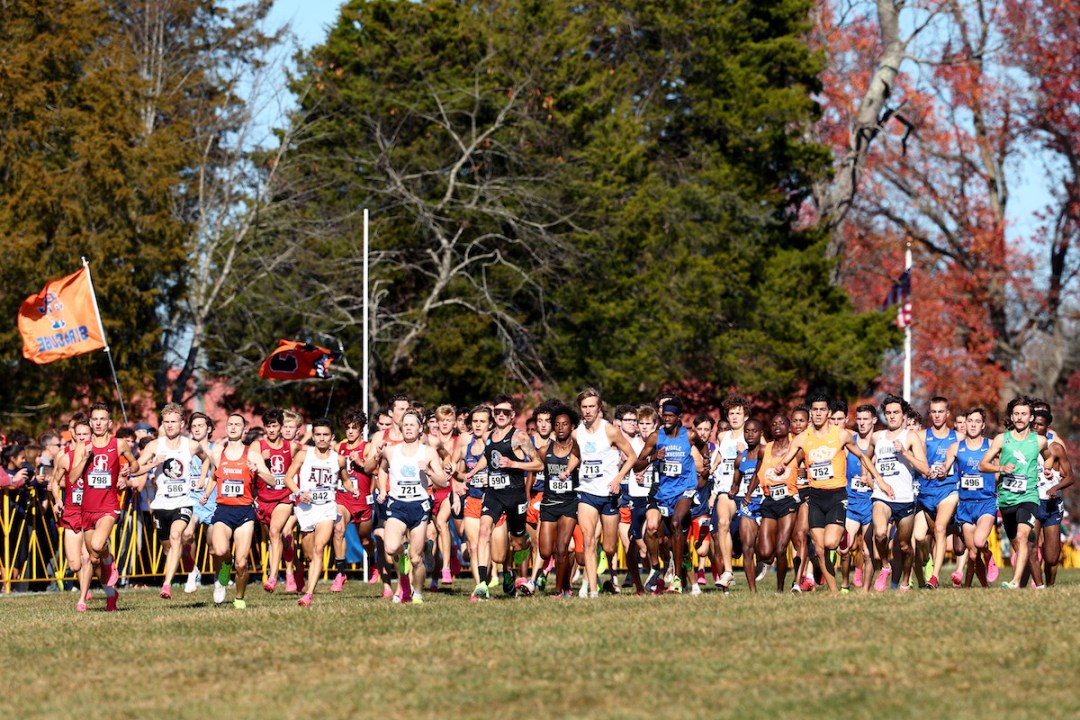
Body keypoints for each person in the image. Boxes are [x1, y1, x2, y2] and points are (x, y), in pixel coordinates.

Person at [773, 391, 880, 592]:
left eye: (823, 409)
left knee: (830, 543)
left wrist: (879, 480)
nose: (819, 413)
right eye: (815, 410)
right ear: (811, 412)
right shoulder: (803, 438)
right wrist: (780, 467)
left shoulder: (841, 435)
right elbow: (786, 461)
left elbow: (863, 457)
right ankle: (834, 592)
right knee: (820, 551)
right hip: (815, 497)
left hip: (837, 495)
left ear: (828, 412)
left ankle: (840, 536)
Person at [132, 404, 210, 599]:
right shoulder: (154, 446)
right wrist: (154, 463)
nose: (169, 426)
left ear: (182, 424)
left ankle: (166, 585)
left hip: (183, 502)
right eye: (166, 422)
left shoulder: (190, 445)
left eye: (173, 422)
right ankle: (191, 566)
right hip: (160, 505)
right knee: (168, 548)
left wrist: (202, 478)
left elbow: (206, 460)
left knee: (177, 536)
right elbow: (136, 469)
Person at [469, 395, 543, 600]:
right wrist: (472, 472)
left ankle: (514, 565)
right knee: (484, 531)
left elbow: (538, 464)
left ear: (512, 416)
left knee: (517, 542)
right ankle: (482, 585)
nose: (501, 415)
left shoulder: (520, 437)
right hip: (493, 494)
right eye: (497, 412)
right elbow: (487, 456)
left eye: (505, 412)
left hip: (515, 495)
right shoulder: (490, 436)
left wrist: (514, 464)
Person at [200, 413, 275, 609]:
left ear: (244, 430)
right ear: (226, 429)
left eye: (237, 425)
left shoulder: (252, 454)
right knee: (220, 550)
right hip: (223, 510)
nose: (233, 428)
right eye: (230, 424)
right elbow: (214, 477)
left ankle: (239, 598)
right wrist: (207, 494)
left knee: (241, 563)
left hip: (244, 512)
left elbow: (273, 481)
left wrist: (258, 470)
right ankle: (225, 568)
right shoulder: (217, 453)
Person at [978, 396, 1054, 590]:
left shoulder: (1039, 441)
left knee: (1023, 537)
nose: (1020, 418)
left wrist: (1047, 468)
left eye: (1024, 414)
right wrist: (1001, 468)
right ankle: (1038, 585)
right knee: (1018, 544)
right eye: (1017, 414)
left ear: (1030, 418)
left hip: (1029, 496)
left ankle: (1015, 582)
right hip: (1006, 499)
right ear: (1011, 417)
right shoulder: (1002, 439)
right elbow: (983, 465)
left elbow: (1049, 457)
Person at [633, 396, 706, 595]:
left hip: (685, 490)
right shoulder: (655, 438)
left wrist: (706, 464)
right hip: (664, 492)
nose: (666, 419)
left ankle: (676, 579)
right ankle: (693, 584)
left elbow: (703, 445)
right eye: (664, 416)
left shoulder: (689, 435)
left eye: (670, 416)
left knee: (675, 525)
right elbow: (636, 466)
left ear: (678, 417)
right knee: (673, 541)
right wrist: (653, 457)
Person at [376, 409, 449, 604]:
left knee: (416, 559)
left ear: (420, 429)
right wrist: (383, 489)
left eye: (412, 425)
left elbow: (443, 481)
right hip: (397, 504)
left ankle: (417, 593)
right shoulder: (391, 451)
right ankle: (404, 583)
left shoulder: (428, 451)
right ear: (401, 428)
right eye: (405, 425)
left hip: (419, 506)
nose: (408, 428)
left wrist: (429, 472)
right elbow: (382, 470)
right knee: (391, 548)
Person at [284, 418, 355, 606]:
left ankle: (308, 594)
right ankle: (302, 572)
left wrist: (352, 489)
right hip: (306, 509)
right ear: (313, 436)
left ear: (332, 436)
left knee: (318, 549)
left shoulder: (339, 459)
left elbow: (345, 480)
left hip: (327, 508)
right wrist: (299, 492)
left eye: (325, 435)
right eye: (318, 435)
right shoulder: (303, 455)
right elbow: (288, 478)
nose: (322, 438)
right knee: (308, 553)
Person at [575, 388, 639, 597]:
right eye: (584, 407)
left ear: (599, 408)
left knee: (610, 546)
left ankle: (604, 556)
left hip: (609, 495)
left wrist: (618, 479)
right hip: (586, 493)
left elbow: (631, 456)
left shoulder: (609, 430)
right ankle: (593, 590)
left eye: (591, 406)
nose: (588, 411)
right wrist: (568, 470)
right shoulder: (577, 433)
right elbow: (575, 456)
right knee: (588, 540)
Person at [78, 402, 140, 612]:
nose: (98, 423)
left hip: (109, 505)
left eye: (102, 419)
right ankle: (111, 594)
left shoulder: (119, 444)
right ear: (90, 422)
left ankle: (108, 558)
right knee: (94, 558)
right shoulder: (83, 446)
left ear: (109, 423)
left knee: (97, 545)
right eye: (94, 419)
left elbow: (135, 464)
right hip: (87, 507)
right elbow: (73, 476)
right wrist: (84, 458)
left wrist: (125, 475)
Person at [866, 395, 929, 592]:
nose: (892, 416)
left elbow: (925, 469)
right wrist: (877, 480)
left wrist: (905, 452)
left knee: (904, 546)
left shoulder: (911, 437)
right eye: (888, 413)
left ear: (904, 415)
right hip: (882, 495)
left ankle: (904, 582)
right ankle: (885, 565)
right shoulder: (877, 437)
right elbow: (865, 458)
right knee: (880, 533)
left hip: (905, 498)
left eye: (896, 413)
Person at [746, 414, 800, 593]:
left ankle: (779, 589)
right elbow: (757, 471)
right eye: (774, 423)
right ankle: (765, 563)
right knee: (765, 553)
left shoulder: (796, 449)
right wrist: (748, 493)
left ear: (788, 427)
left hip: (788, 501)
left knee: (781, 548)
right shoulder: (764, 449)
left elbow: (808, 466)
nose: (777, 426)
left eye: (781, 423)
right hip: (769, 501)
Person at [944, 407, 996, 588]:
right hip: (965, 505)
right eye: (970, 421)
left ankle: (989, 555)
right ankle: (984, 588)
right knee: (973, 554)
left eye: (977, 422)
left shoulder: (991, 445)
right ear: (964, 424)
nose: (973, 425)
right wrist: (941, 471)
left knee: (980, 542)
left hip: (986, 502)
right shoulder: (956, 448)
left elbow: (1000, 468)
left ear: (983, 425)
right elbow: (946, 468)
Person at [536, 405, 581, 598]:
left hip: (569, 504)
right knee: (546, 552)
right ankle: (562, 582)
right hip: (549, 503)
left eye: (565, 424)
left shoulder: (578, 449)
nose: (561, 427)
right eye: (557, 424)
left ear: (572, 426)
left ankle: (560, 589)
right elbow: (534, 469)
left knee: (562, 548)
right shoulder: (544, 451)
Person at [916, 397, 959, 590]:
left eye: (941, 411)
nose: (937, 415)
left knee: (940, 529)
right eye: (933, 411)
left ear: (947, 413)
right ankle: (927, 559)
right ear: (929, 413)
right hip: (926, 492)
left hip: (949, 490)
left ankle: (933, 579)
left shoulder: (958, 437)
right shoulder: (922, 436)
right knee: (919, 537)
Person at [49, 420, 93, 610]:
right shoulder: (65, 457)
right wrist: (58, 500)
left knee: (87, 558)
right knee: (75, 564)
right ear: (74, 435)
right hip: (71, 511)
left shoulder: (97, 456)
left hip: (91, 511)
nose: (83, 438)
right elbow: (54, 482)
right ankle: (104, 564)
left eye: (86, 434)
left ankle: (82, 597)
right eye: (79, 434)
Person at [256, 408, 301, 593]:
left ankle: (275, 577)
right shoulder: (257, 446)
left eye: (275, 426)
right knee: (281, 538)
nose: (272, 430)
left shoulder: (292, 447)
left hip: (285, 497)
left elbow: (304, 465)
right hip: (265, 497)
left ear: (280, 427)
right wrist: (260, 460)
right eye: (268, 426)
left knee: (277, 532)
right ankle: (296, 568)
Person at [1029, 406, 1072, 587]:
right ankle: (1039, 587)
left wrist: (1056, 487)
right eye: (1033, 425)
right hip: (1031, 501)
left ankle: (1050, 586)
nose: (1036, 428)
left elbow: (1070, 477)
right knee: (1030, 547)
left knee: (1052, 557)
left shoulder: (1056, 448)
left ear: (1047, 427)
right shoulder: (1024, 448)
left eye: (1040, 425)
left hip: (1052, 505)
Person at [710, 394, 749, 591]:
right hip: (726, 489)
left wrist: (746, 452)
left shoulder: (752, 435)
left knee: (745, 538)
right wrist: (711, 467)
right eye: (731, 413)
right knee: (722, 524)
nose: (734, 417)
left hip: (747, 490)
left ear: (746, 416)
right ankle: (728, 572)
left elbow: (763, 456)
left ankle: (760, 560)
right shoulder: (723, 437)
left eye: (738, 413)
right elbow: (719, 456)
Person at [334, 409, 376, 592]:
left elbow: (374, 470)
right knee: (339, 529)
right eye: (348, 428)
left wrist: (360, 461)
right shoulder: (339, 448)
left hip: (362, 499)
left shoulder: (367, 447)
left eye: (355, 428)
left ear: (361, 429)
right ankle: (341, 573)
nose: (350, 431)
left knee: (365, 539)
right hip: (342, 497)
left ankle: (372, 561)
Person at [840, 404, 877, 593]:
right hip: (852, 505)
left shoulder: (879, 444)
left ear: (874, 421)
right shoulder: (849, 443)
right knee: (844, 548)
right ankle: (845, 584)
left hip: (872, 506)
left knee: (869, 552)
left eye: (866, 419)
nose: (862, 423)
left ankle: (865, 591)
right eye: (859, 419)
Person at [425, 404, 460, 590]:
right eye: (441, 421)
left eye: (448, 420)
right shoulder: (430, 441)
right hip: (431, 492)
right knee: (432, 534)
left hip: (449, 491)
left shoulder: (458, 442)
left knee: (441, 524)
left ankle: (447, 567)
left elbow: (457, 469)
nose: (444, 424)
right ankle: (435, 577)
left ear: (454, 423)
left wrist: (456, 492)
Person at [182, 412, 215, 593]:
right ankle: (192, 572)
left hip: (214, 503)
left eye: (200, 426)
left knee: (215, 548)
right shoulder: (186, 449)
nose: (196, 429)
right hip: (193, 502)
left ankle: (221, 580)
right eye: (193, 426)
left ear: (208, 429)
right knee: (186, 534)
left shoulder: (215, 449)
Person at [731, 418, 765, 593]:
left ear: (761, 434)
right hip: (747, 506)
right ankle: (753, 590)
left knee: (766, 550)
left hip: (766, 505)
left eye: (754, 431)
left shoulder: (767, 453)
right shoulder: (740, 458)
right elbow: (735, 485)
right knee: (747, 547)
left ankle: (764, 560)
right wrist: (732, 491)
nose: (750, 435)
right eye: (747, 431)